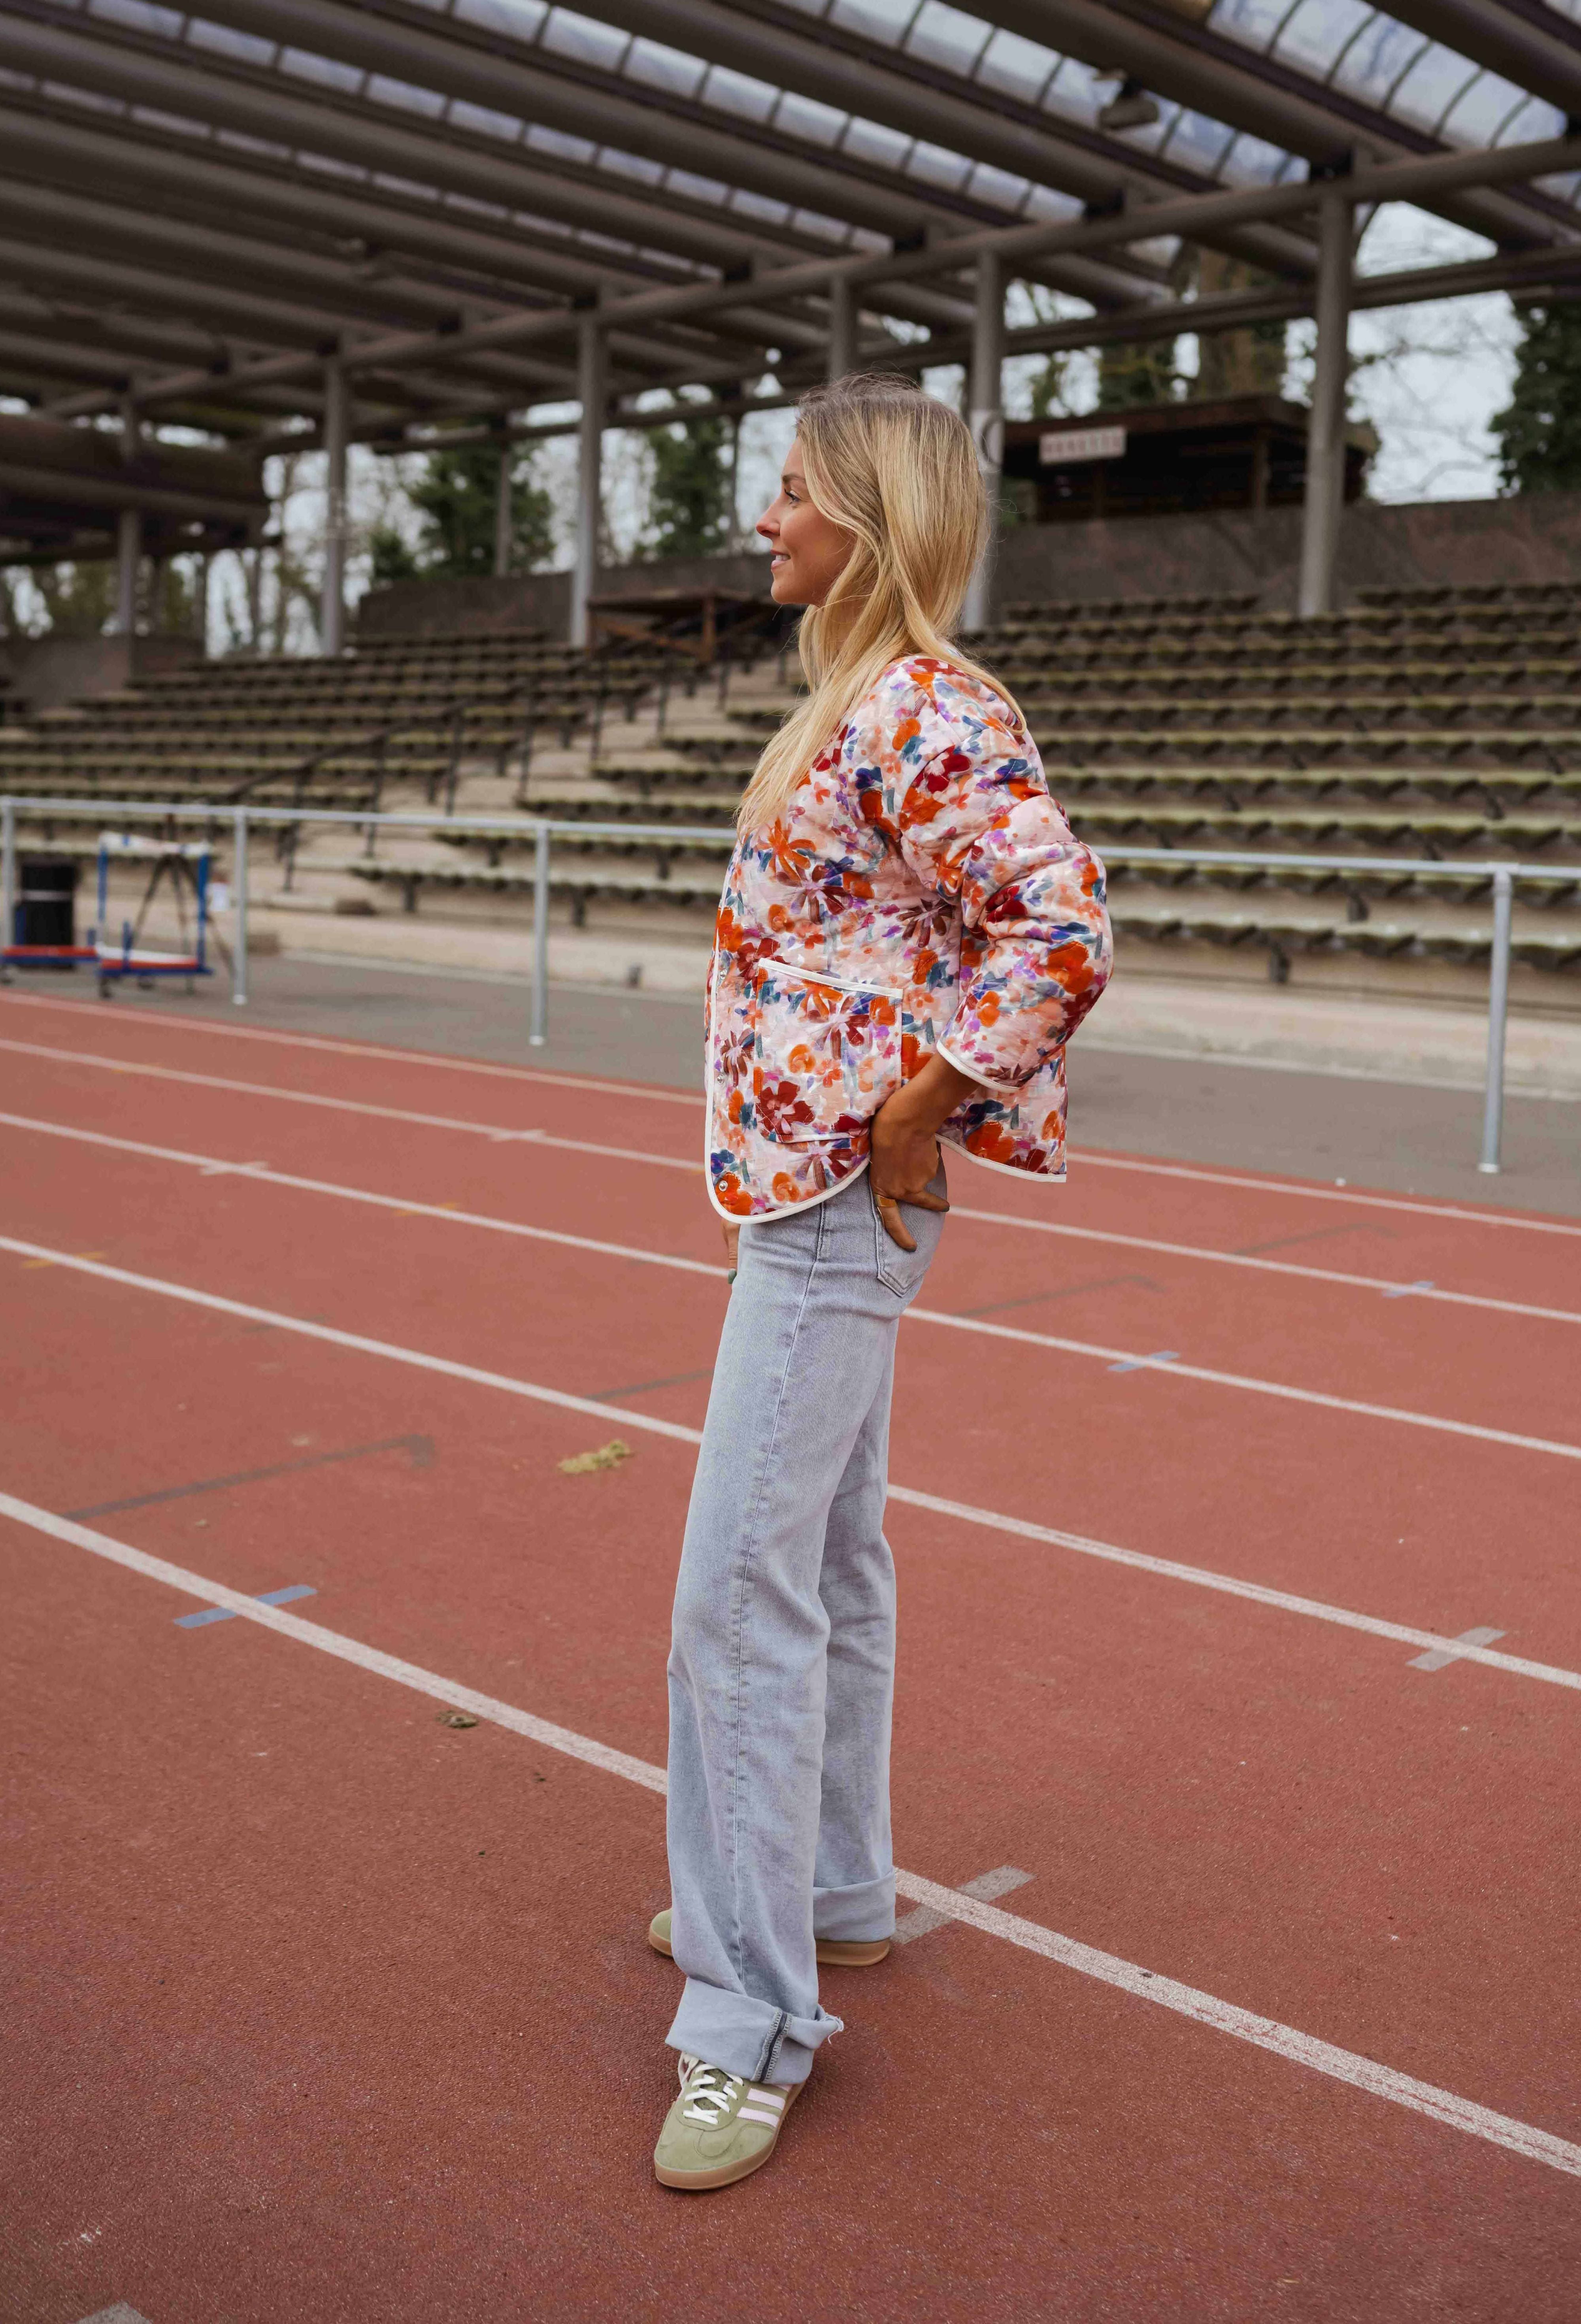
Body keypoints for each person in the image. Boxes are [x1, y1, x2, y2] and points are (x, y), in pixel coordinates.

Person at [647, 374, 1112, 2192]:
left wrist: (924, 1105)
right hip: (812, 1184)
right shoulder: (857, 699)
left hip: (842, 1191)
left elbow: (1060, 928)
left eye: (789, 494)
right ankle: (829, 1896)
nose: (766, 522)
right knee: (827, 1557)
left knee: (735, 1596)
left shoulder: (924, 704)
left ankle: (744, 2023)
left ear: (870, 517)